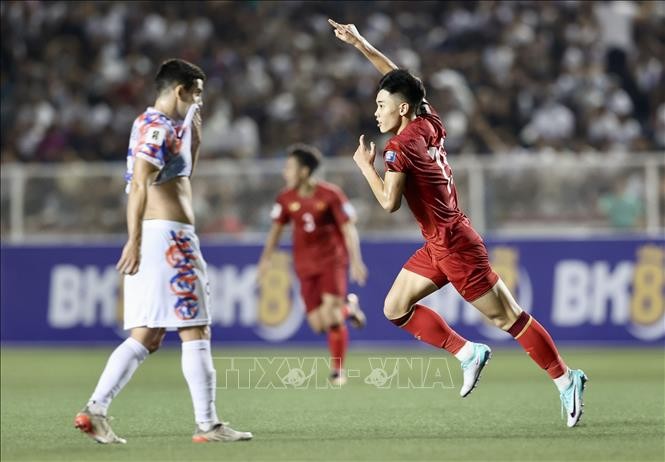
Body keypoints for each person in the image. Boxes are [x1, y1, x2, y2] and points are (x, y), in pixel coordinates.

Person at [328, 19, 588, 427]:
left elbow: (388, 203)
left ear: (400, 110)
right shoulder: (428, 122)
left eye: (381, 105)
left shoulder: (398, 148)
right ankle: (467, 352)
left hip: (454, 245)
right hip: (440, 240)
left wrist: (364, 166)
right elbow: (401, 81)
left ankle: (566, 378)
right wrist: (360, 43)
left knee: (509, 318)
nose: (375, 111)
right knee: (394, 307)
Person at [73, 59, 253, 443]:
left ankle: (96, 410)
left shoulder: (157, 126)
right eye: (197, 94)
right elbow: (140, 184)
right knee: (196, 328)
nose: (199, 102)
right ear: (180, 91)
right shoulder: (158, 128)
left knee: (148, 335)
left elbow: (180, 178)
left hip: (160, 237)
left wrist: (197, 142)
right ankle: (207, 424)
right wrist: (133, 239)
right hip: (170, 241)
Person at [258, 143, 368, 385]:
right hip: (305, 265)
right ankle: (350, 307)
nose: (285, 173)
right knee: (318, 325)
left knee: (331, 316)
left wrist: (356, 261)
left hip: (332, 261)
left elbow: (348, 228)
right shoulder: (285, 199)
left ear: (305, 172)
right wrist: (265, 259)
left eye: (289, 167)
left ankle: (338, 371)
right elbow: (275, 231)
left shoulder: (331, 195)